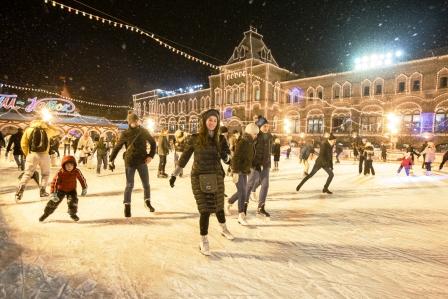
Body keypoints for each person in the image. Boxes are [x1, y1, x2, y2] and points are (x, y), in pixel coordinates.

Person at [169, 109, 233, 256]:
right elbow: (184, 157)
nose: (212, 123)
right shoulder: (195, 138)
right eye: (210, 120)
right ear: (204, 121)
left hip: (216, 175)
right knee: (204, 210)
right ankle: (203, 240)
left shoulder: (221, 139)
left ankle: (223, 229)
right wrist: (174, 174)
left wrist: (226, 157)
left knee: (218, 206)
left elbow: (229, 159)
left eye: (215, 120)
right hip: (199, 176)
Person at [109, 111, 157, 217]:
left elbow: (153, 143)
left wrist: (150, 156)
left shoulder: (143, 131)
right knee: (129, 185)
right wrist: (111, 159)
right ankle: (127, 205)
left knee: (146, 184)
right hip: (130, 161)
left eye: (136, 120)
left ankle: (147, 202)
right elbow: (117, 147)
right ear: (129, 122)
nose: (135, 123)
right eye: (133, 121)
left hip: (142, 161)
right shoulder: (125, 133)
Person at [15, 117, 60, 201]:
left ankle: (20, 190)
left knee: (28, 174)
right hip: (45, 155)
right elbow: (58, 131)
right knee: (45, 174)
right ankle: (42, 191)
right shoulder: (47, 130)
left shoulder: (28, 130)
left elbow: (23, 144)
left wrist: (28, 154)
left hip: (32, 154)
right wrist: (49, 125)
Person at [226, 123, 259, 225]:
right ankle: (241, 215)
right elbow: (236, 157)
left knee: (243, 191)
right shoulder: (243, 142)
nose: (256, 135)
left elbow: (249, 157)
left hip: (244, 170)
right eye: (255, 133)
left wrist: (254, 165)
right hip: (238, 170)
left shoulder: (250, 143)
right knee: (242, 192)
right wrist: (234, 172)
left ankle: (228, 202)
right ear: (250, 133)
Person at [39, 155, 87, 222]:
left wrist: (84, 188)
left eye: (71, 165)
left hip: (72, 190)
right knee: (53, 202)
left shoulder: (76, 171)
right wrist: (53, 193)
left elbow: (82, 179)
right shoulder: (60, 173)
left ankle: (72, 214)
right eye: (67, 165)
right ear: (64, 165)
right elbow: (54, 183)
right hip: (61, 190)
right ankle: (46, 214)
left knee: (73, 202)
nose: (69, 167)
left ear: (74, 165)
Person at [246, 115, 272, 217]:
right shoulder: (255, 136)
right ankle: (243, 207)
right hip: (254, 164)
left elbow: (269, 151)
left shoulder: (270, 136)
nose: (266, 128)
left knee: (265, 185)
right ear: (259, 126)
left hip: (266, 165)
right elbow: (250, 151)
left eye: (267, 126)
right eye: (264, 126)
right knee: (249, 185)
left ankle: (261, 208)